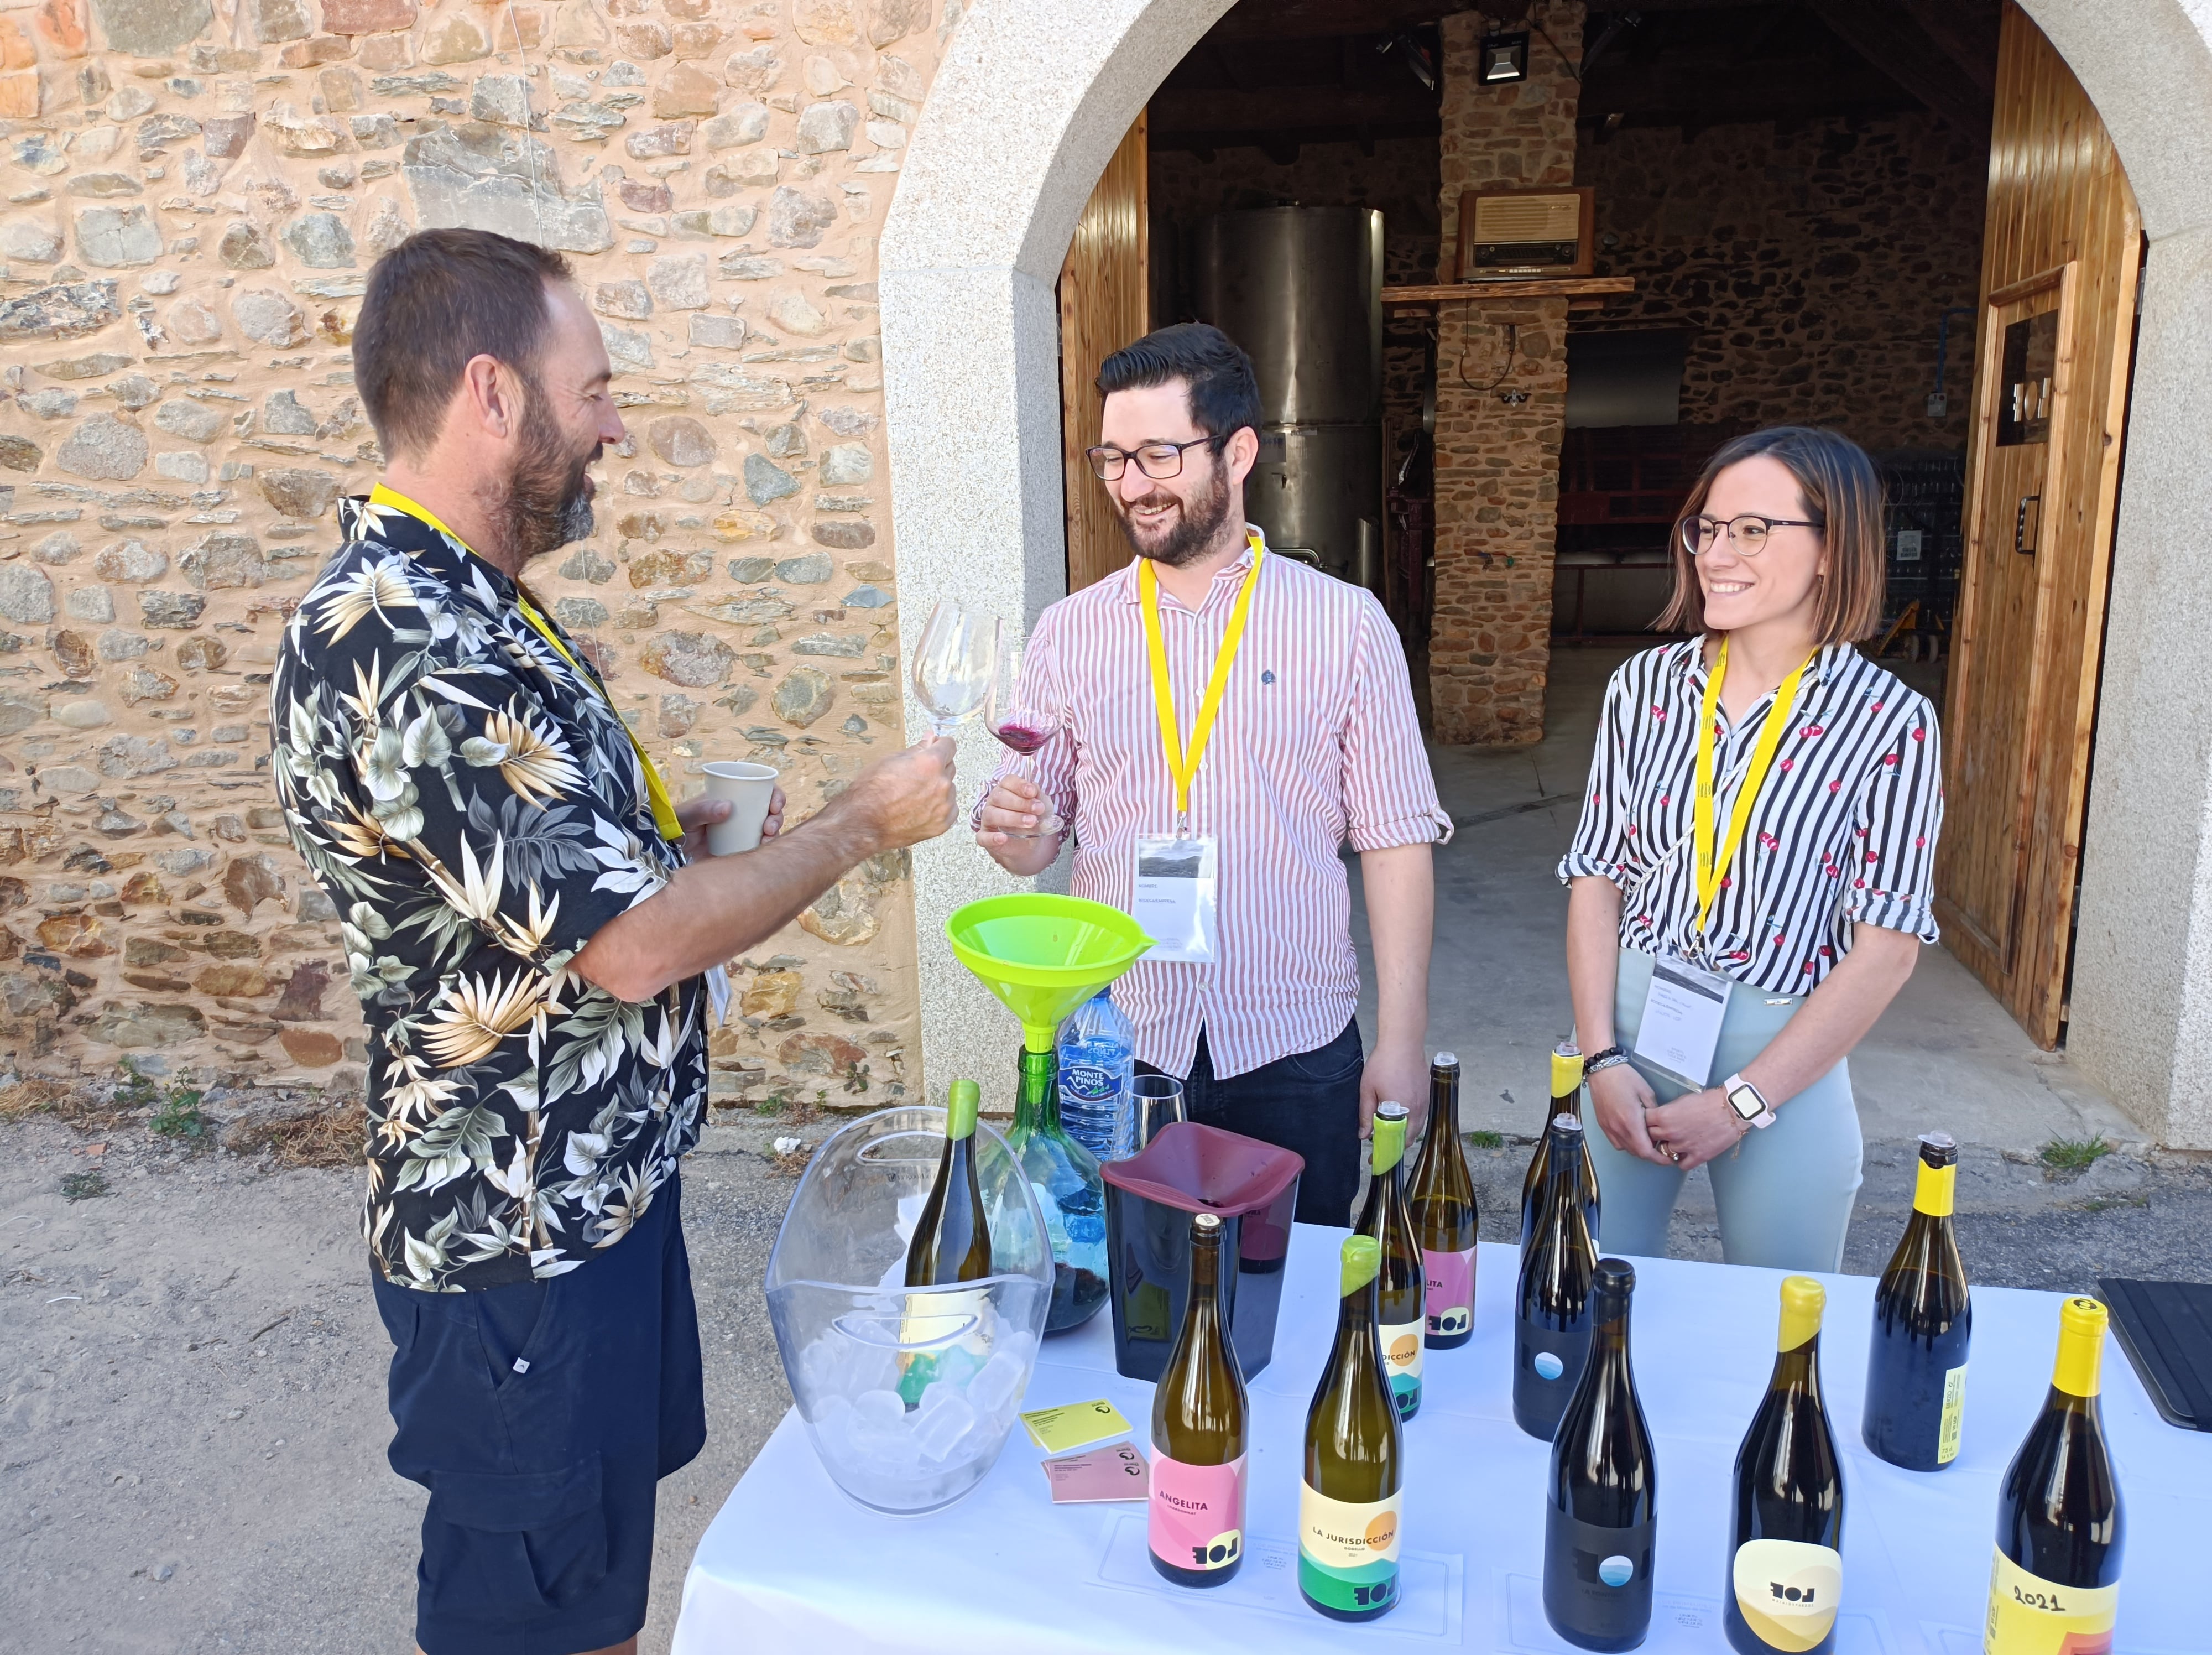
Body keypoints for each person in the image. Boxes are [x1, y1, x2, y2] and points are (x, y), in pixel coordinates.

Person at [270, 228, 957, 1655]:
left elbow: (550, 893)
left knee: (592, 1601)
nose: (616, 427)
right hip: (517, 1236)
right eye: (593, 390)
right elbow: (635, 951)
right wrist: (852, 826)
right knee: (529, 1620)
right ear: (493, 393)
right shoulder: (406, 637)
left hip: (591, 1203)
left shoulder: (473, 600)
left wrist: (664, 841)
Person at [974, 323, 1451, 1226]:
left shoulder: (1347, 626)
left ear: (1238, 453)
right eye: (1113, 458)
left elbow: (1394, 842)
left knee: (1296, 1301)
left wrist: (1402, 1038)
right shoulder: (1069, 631)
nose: (1133, 485)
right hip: (1121, 1042)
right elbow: (1037, 842)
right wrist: (1014, 829)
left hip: (1293, 1041)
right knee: (1129, 1295)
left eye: (1159, 454)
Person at [1559, 425, 1944, 1272]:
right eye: (1707, 526)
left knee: (1785, 1331)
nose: (1716, 553)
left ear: (1833, 551)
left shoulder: (1890, 724)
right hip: (1629, 1032)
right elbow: (1595, 878)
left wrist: (1740, 1104)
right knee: (1589, 1297)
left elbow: (1885, 950)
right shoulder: (1645, 689)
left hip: (1784, 1052)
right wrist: (1601, 1060)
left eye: (1754, 530)